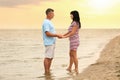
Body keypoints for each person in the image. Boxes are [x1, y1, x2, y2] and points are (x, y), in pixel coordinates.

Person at [42, 8, 62, 74]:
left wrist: (57, 35)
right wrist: (56, 35)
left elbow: (51, 32)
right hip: (49, 42)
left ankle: (48, 70)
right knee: (47, 57)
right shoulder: (46, 22)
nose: (53, 15)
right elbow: (47, 33)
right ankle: (46, 71)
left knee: (51, 57)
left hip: (52, 42)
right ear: (49, 14)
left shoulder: (49, 22)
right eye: (52, 13)